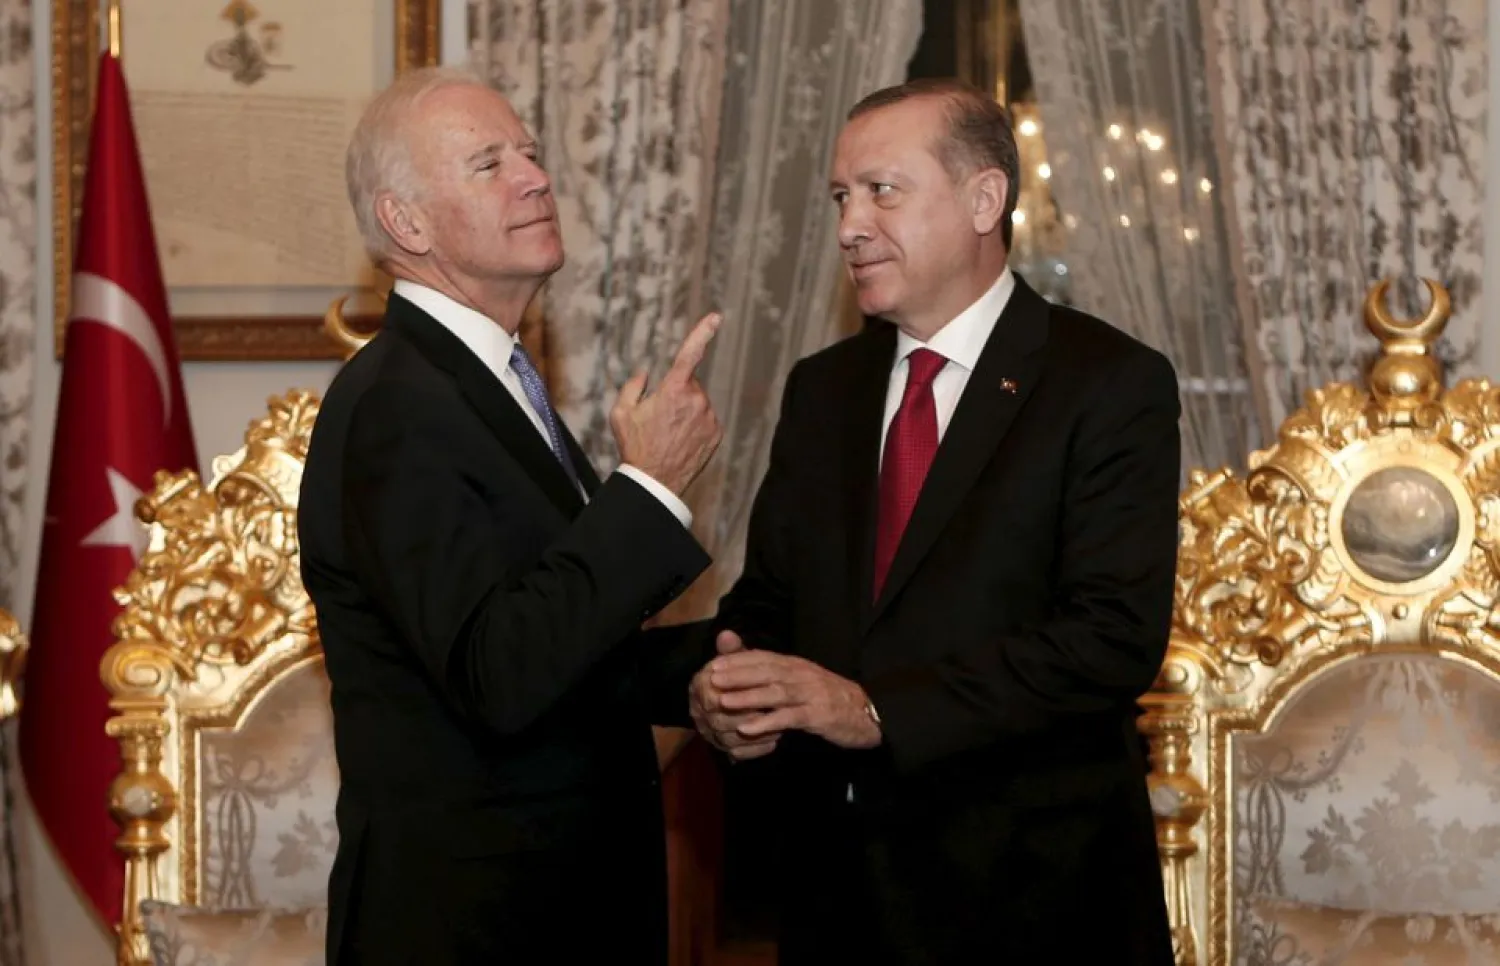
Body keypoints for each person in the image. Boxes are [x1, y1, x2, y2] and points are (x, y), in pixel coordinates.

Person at [689, 77, 1181, 963]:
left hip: (1034, 899)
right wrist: (727, 691)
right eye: (842, 196)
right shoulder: (823, 389)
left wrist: (876, 709)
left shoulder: (1107, 382)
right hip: (837, 896)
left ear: (984, 198)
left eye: (884, 190)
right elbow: (769, 601)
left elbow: (1110, 638)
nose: (850, 225)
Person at [299, 66, 722, 965]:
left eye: (529, 151)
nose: (535, 176)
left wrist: (712, 670)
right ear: (404, 223)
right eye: (487, 163)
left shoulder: (486, 382)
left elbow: (557, 642)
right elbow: (499, 672)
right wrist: (647, 488)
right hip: (472, 925)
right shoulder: (397, 406)